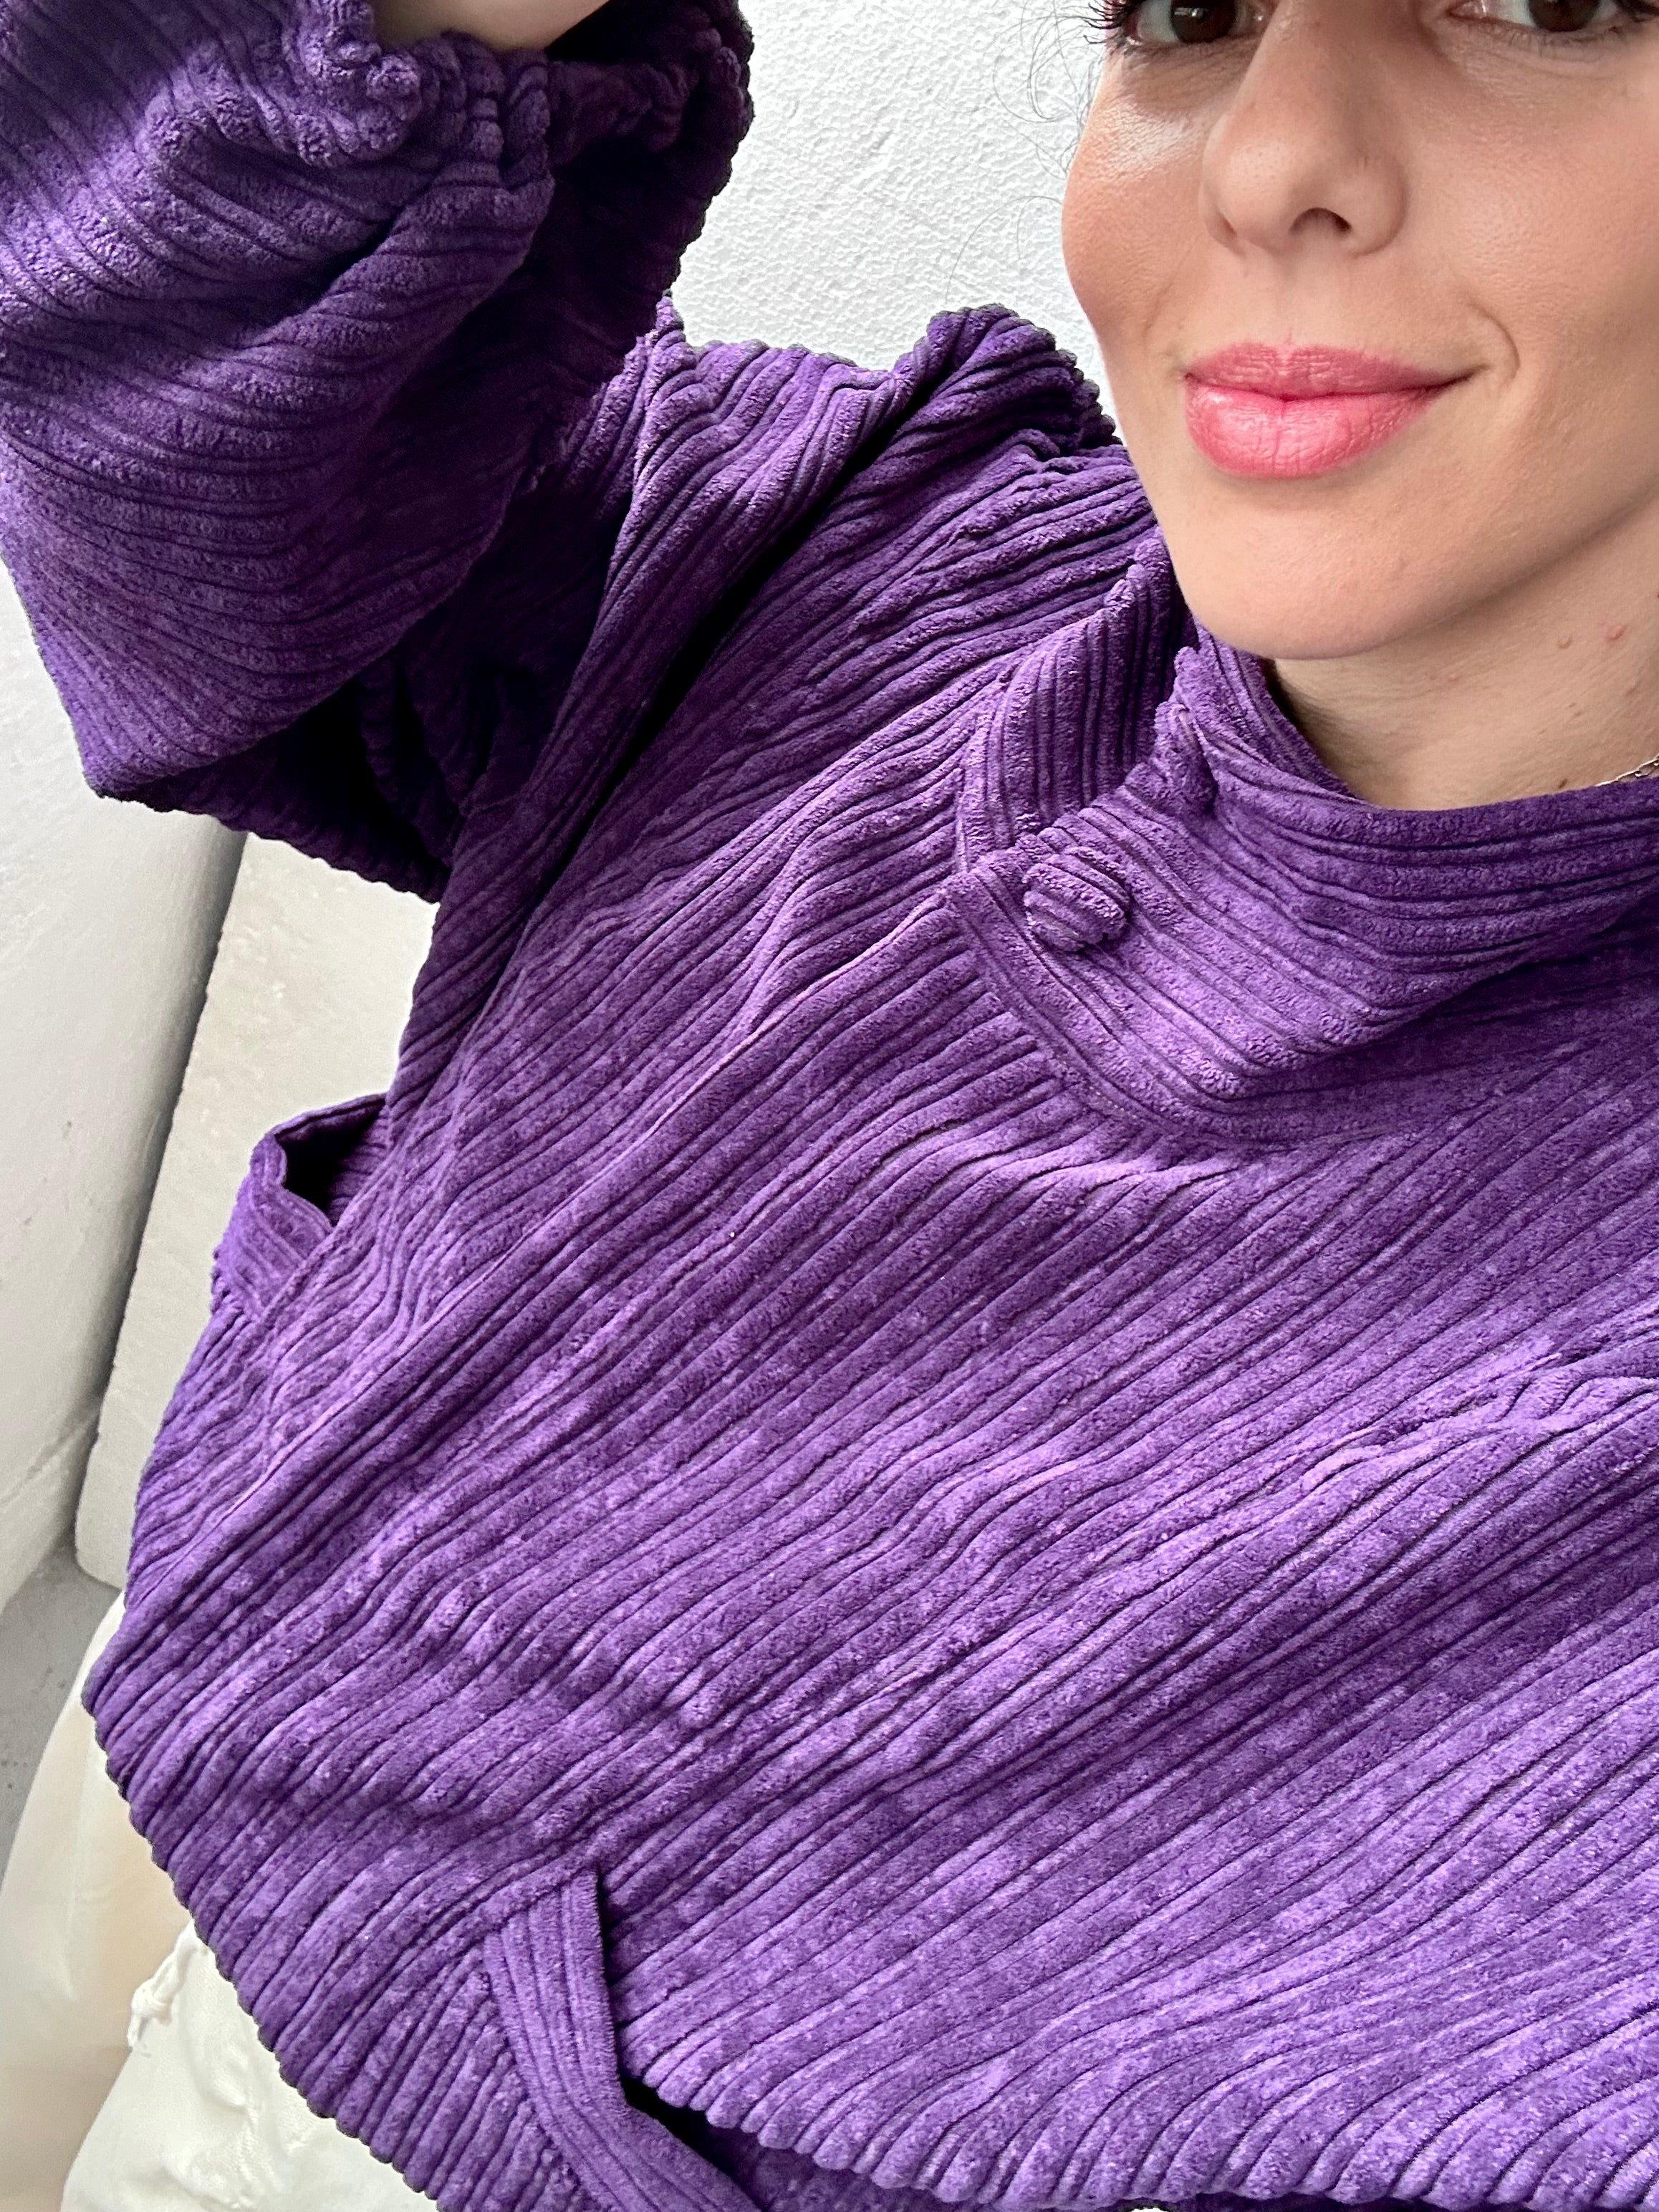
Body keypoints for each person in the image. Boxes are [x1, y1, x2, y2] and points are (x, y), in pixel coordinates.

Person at [1, 0, 1657, 2203]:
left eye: (1545, 4)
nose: (1267, 161)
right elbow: (174, 431)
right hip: (143, 1870)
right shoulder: (863, 542)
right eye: (1181, 16)